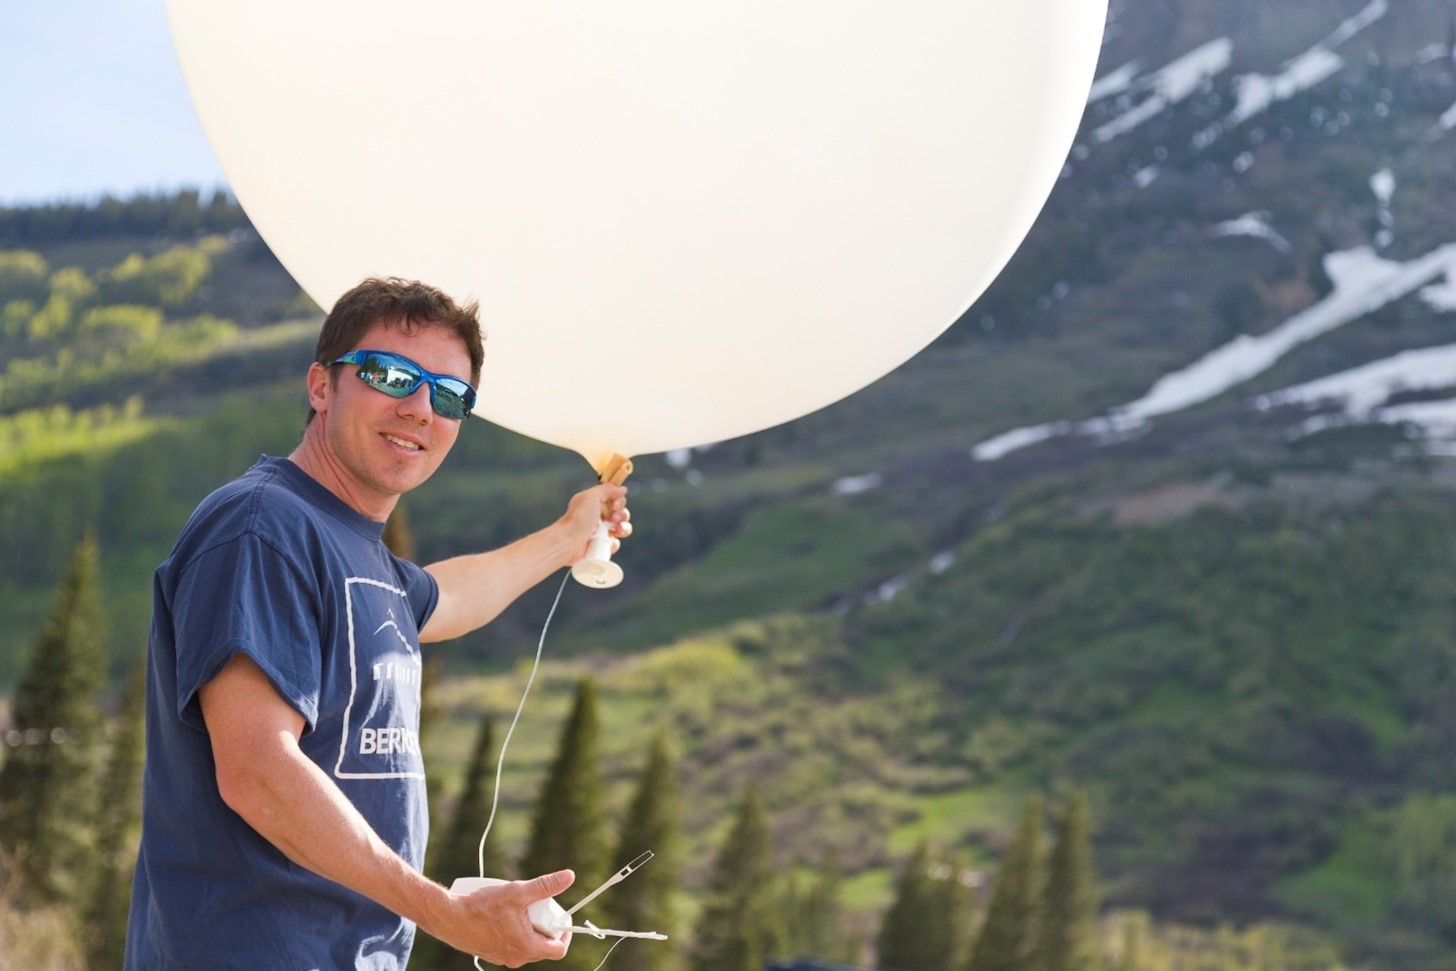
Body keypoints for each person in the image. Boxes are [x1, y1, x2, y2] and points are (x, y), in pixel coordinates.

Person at [124, 277, 630, 969]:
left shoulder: (361, 555)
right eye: (391, 374)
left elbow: (448, 596)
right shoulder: (263, 526)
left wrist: (569, 536)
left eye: (449, 395)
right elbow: (256, 768)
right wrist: (443, 913)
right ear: (321, 385)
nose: (420, 407)